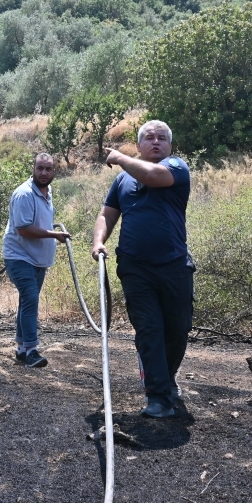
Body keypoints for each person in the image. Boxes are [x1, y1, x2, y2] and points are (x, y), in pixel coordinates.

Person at [91, 121, 194, 418]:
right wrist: (98, 241)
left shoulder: (176, 168)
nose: (156, 142)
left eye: (162, 138)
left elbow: (152, 176)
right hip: (135, 267)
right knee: (149, 330)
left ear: (170, 146)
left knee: (178, 329)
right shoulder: (122, 183)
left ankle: (166, 377)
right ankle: (158, 396)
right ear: (139, 145)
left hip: (175, 265)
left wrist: (120, 158)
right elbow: (106, 214)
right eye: (149, 138)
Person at [2, 153, 71, 368]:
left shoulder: (47, 191)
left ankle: (21, 349)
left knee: (27, 301)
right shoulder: (24, 194)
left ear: (54, 171)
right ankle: (32, 350)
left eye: (48, 169)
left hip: (38, 259)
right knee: (31, 298)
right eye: (40, 168)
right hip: (19, 256)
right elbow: (23, 229)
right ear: (33, 169)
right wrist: (53, 235)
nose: (44, 173)